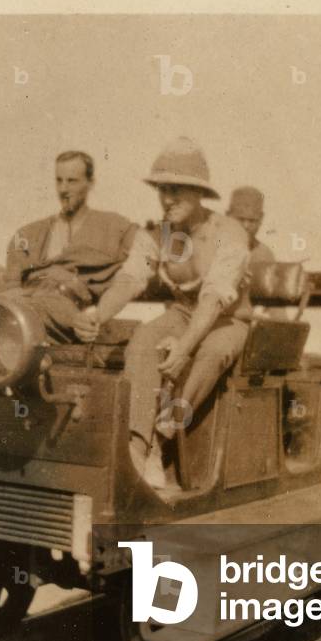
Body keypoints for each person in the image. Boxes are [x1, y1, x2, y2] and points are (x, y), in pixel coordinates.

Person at [84, 137, 252, 488]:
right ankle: (137, 448)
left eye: (177, 190)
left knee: (211, 353)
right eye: (162, 189)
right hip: (182, 312)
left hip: (227, 319)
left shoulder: (229, 233)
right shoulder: (158, 234)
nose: (167, 198)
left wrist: (185, 346)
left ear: (199, 194)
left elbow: (214, 299)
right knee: (142, 340)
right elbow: (130, 279)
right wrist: (97, 315)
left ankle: (162, 438)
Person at [0, 150, 136, 360]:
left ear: (90, 183)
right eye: (59, 180)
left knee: (0, 310)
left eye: (72, 181)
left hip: (66, 308)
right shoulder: (31, 234)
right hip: (25, 300)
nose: (63, 189)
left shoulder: (113, 227)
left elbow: (146, 257)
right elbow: (14, 286)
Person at [227, 186, 287, 320]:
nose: (246, 226)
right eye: (240, 219)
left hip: (246, 321)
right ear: (227, 215)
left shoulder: (263, 254)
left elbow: (274, 302)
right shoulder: (214, 246)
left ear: (261, 219)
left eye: (252, 220)